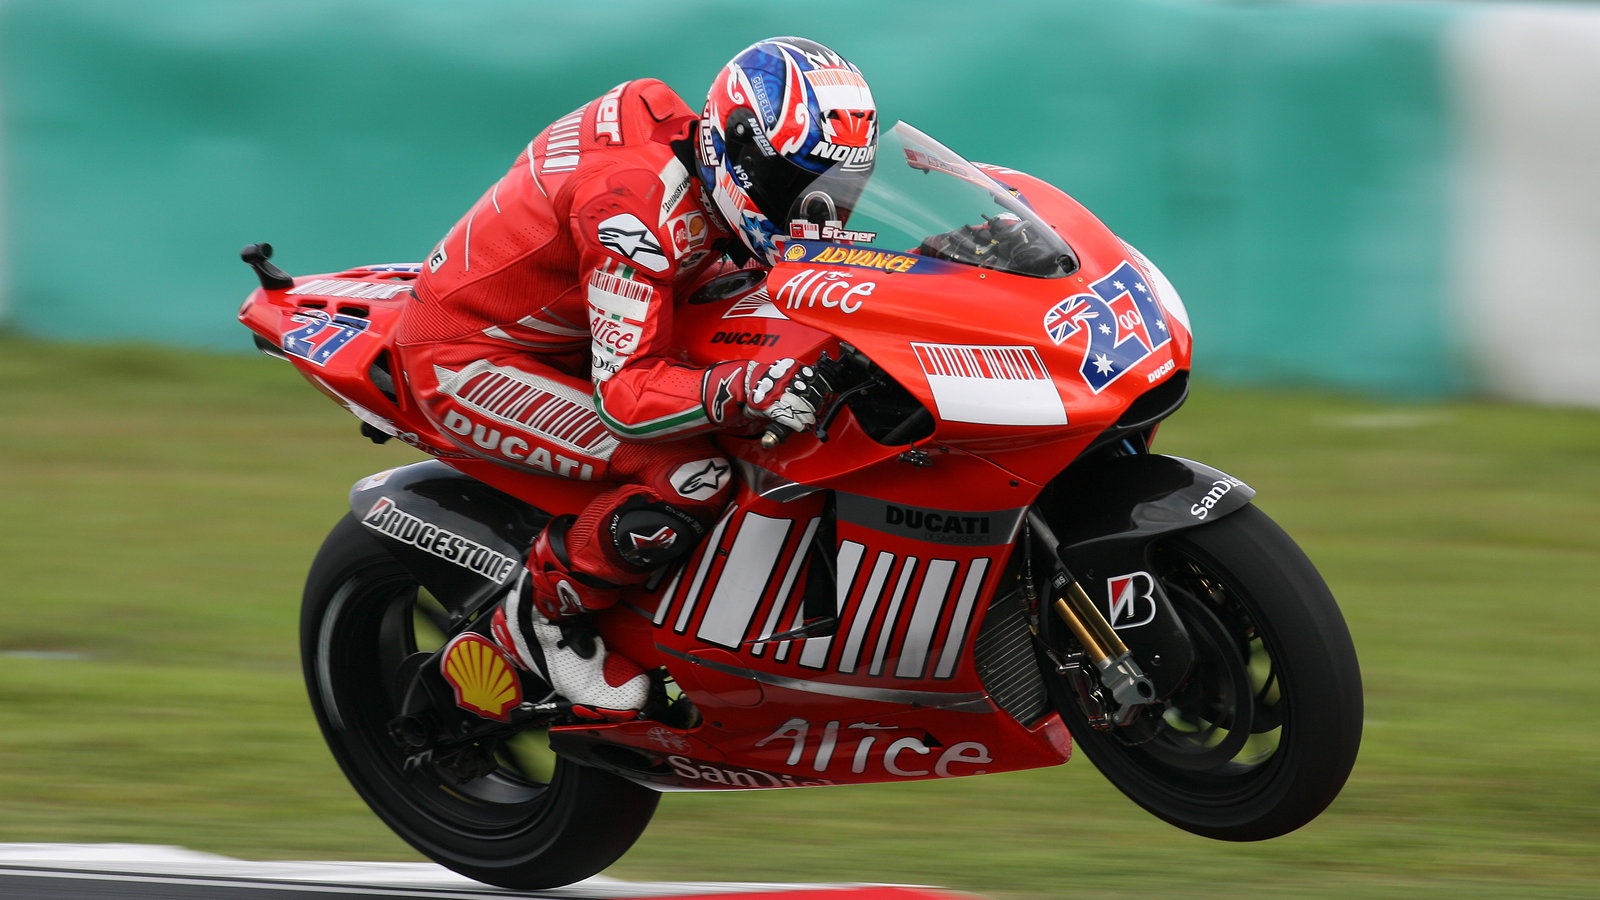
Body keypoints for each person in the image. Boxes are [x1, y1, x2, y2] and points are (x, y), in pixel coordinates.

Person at [395, 37, 878, 721]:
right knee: (691, 473)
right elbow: (625, 396)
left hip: (576, 324)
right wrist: (742, 388)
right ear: (741, 156)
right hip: (468, 360)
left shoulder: (702, 168)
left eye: (841, 190)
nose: (819, 215)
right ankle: (541, 621)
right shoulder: (634, 212)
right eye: (799, 188)